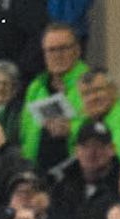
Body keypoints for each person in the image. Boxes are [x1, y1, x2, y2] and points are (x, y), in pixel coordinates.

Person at [20, 22, 86, 172]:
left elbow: (112, 126)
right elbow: (25, 135)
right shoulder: (35, 88)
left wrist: (72, 129)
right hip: (39, 173)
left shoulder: (92, 83)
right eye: (51, 50)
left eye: (63, 48)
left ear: (77, 50)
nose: (57, 55)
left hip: (78, 172)